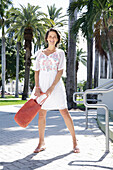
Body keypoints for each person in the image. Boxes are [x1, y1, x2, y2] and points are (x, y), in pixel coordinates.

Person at [31, 28, 80, 153]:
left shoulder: (60, 53)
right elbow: (36, 71)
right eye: (50, 36)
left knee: (64, 112)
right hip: (41, 87)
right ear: (47, 38)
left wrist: (51, 88)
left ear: (57, 39)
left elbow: (60, 71)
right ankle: (41, 142)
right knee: (41, 114)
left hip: (56, 87)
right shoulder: (39, 53)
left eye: (54, 37)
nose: (52, 38)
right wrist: (37, 87)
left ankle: (75, 141)